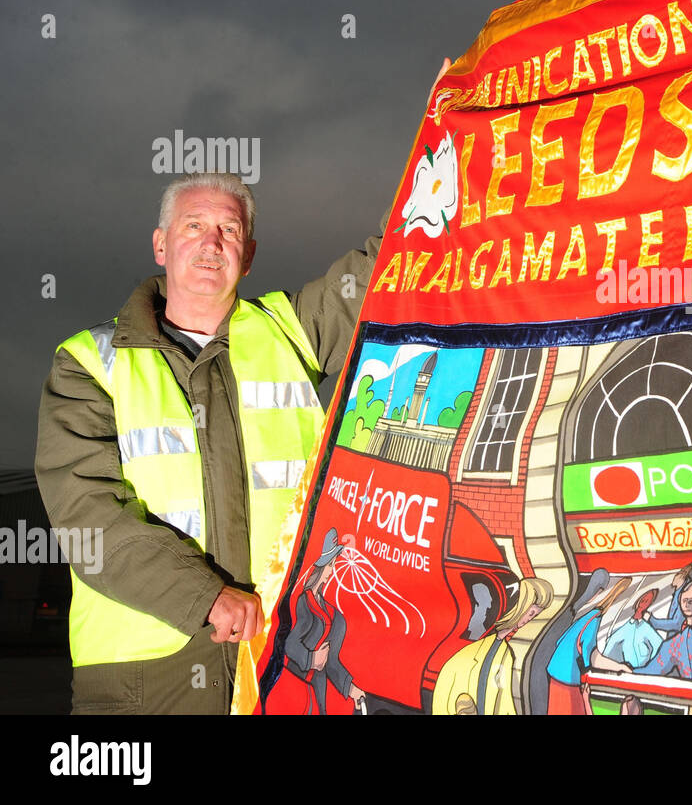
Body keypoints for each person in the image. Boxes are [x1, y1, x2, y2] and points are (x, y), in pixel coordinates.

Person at [35, 171, 382, 714]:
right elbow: (86, 516)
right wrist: (204, 597)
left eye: (229, 229)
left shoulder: (290, 330)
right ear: (160, 243)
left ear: (247, 256)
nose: (211, 241)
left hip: (278, 658)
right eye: (194, 224)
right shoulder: (88, 363)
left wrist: (456, 129)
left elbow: (391, 264)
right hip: (143, 680)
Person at [429, 576, 554, 715]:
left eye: (534, 616)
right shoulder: (475, 643)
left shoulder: (506, 654)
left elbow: (505, 702)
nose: (529, 620)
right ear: (522, 605)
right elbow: (446, 691)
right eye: (531, 613)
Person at [280, 528, 366, 714]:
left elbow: (332, 662)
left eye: (334, 564)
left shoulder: (331, 613)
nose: (332, 570)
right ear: (320, 566)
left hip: (317, 692)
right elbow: (290, 643)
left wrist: (351, 690)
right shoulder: (304, 602)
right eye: (330, 565)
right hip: (294, 689)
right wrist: (311, 659)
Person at [545, 570, 632, 714]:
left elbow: (561, 641)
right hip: (567, 679)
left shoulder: (585, 618)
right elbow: (594, 657)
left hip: (556, 673)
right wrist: (619, 667)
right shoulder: (594, 620)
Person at [602, 588, 664, 668]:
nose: (644, 604)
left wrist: (650, 668)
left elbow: (661, 647)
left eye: (647, 602)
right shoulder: (624, 629)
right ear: (637, 601)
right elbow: (609, 650)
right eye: (643, 600)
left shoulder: (647, 629)